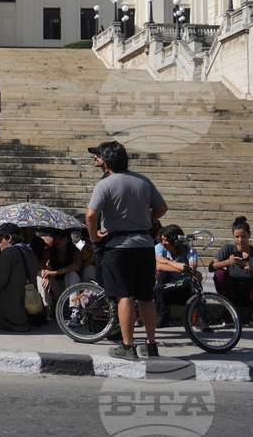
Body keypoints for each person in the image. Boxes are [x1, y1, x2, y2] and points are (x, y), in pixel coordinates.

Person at [85, 140, 167, 359]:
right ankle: (151, 344)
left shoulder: (106, 184)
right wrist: (144, 218)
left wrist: (94, 237)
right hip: (144, 245)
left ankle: (127, 345)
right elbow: (162, 208)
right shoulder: (143, 181)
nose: (95, 158)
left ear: (108, 161)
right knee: (146, 298)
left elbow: (91, 215)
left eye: (99, 155)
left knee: (125, 297)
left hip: (118, 247)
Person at [211, 216, 253, 329]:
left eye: (243, 236)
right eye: (237, 237)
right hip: (232, 292)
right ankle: (227, 312)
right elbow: (212, 267)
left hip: (250, 293)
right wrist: (227, 262)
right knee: (219, 274)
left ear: (249, 235)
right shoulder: (228, 248)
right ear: (233, 235)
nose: (240, 240)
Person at [153, 224, 202, 328]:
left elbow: (192, 267)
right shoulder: (159, 247)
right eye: (162, 240)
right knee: (163, 275)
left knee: (195, 279)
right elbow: (159, 266)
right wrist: (185, 269)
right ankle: (162, 316)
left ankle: (200, 318)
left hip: (184, 288)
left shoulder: (189, 250)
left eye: (166, 240)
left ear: (175, 241)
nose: (163, 243)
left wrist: (166, 261)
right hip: (168, 289)